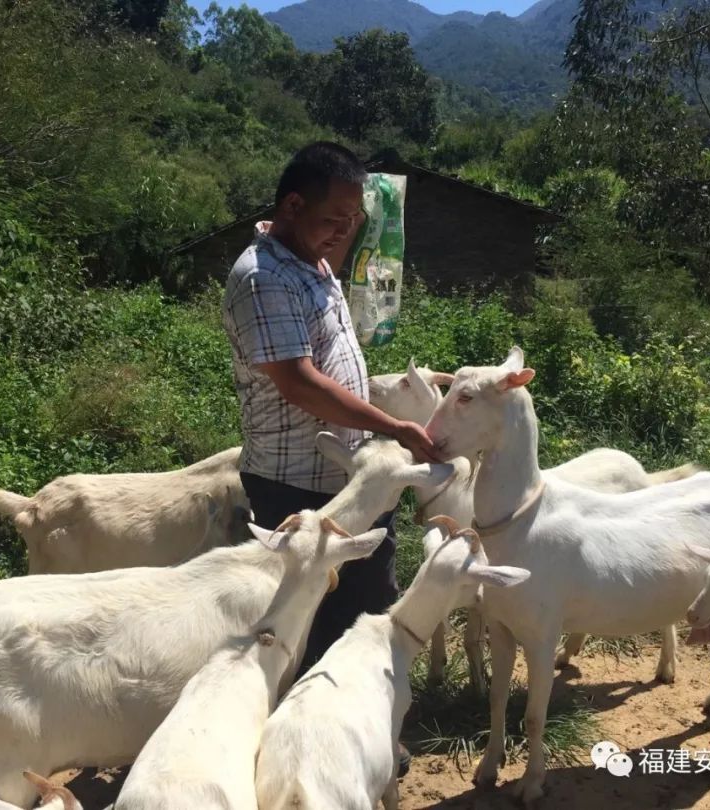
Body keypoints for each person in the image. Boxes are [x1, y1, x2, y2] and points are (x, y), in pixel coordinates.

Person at [222, 142, 441, 774]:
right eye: (334, 219)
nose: (344, 232)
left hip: (349, 479)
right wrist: (392, 424)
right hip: (299, 488)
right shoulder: (263, 278)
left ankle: (363, 733)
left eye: (353, 222)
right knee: (309, 618)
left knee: (367, 607)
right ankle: (305, 758)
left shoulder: (312, 261)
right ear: (292, 206)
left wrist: (349, 235)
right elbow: (299, 383)